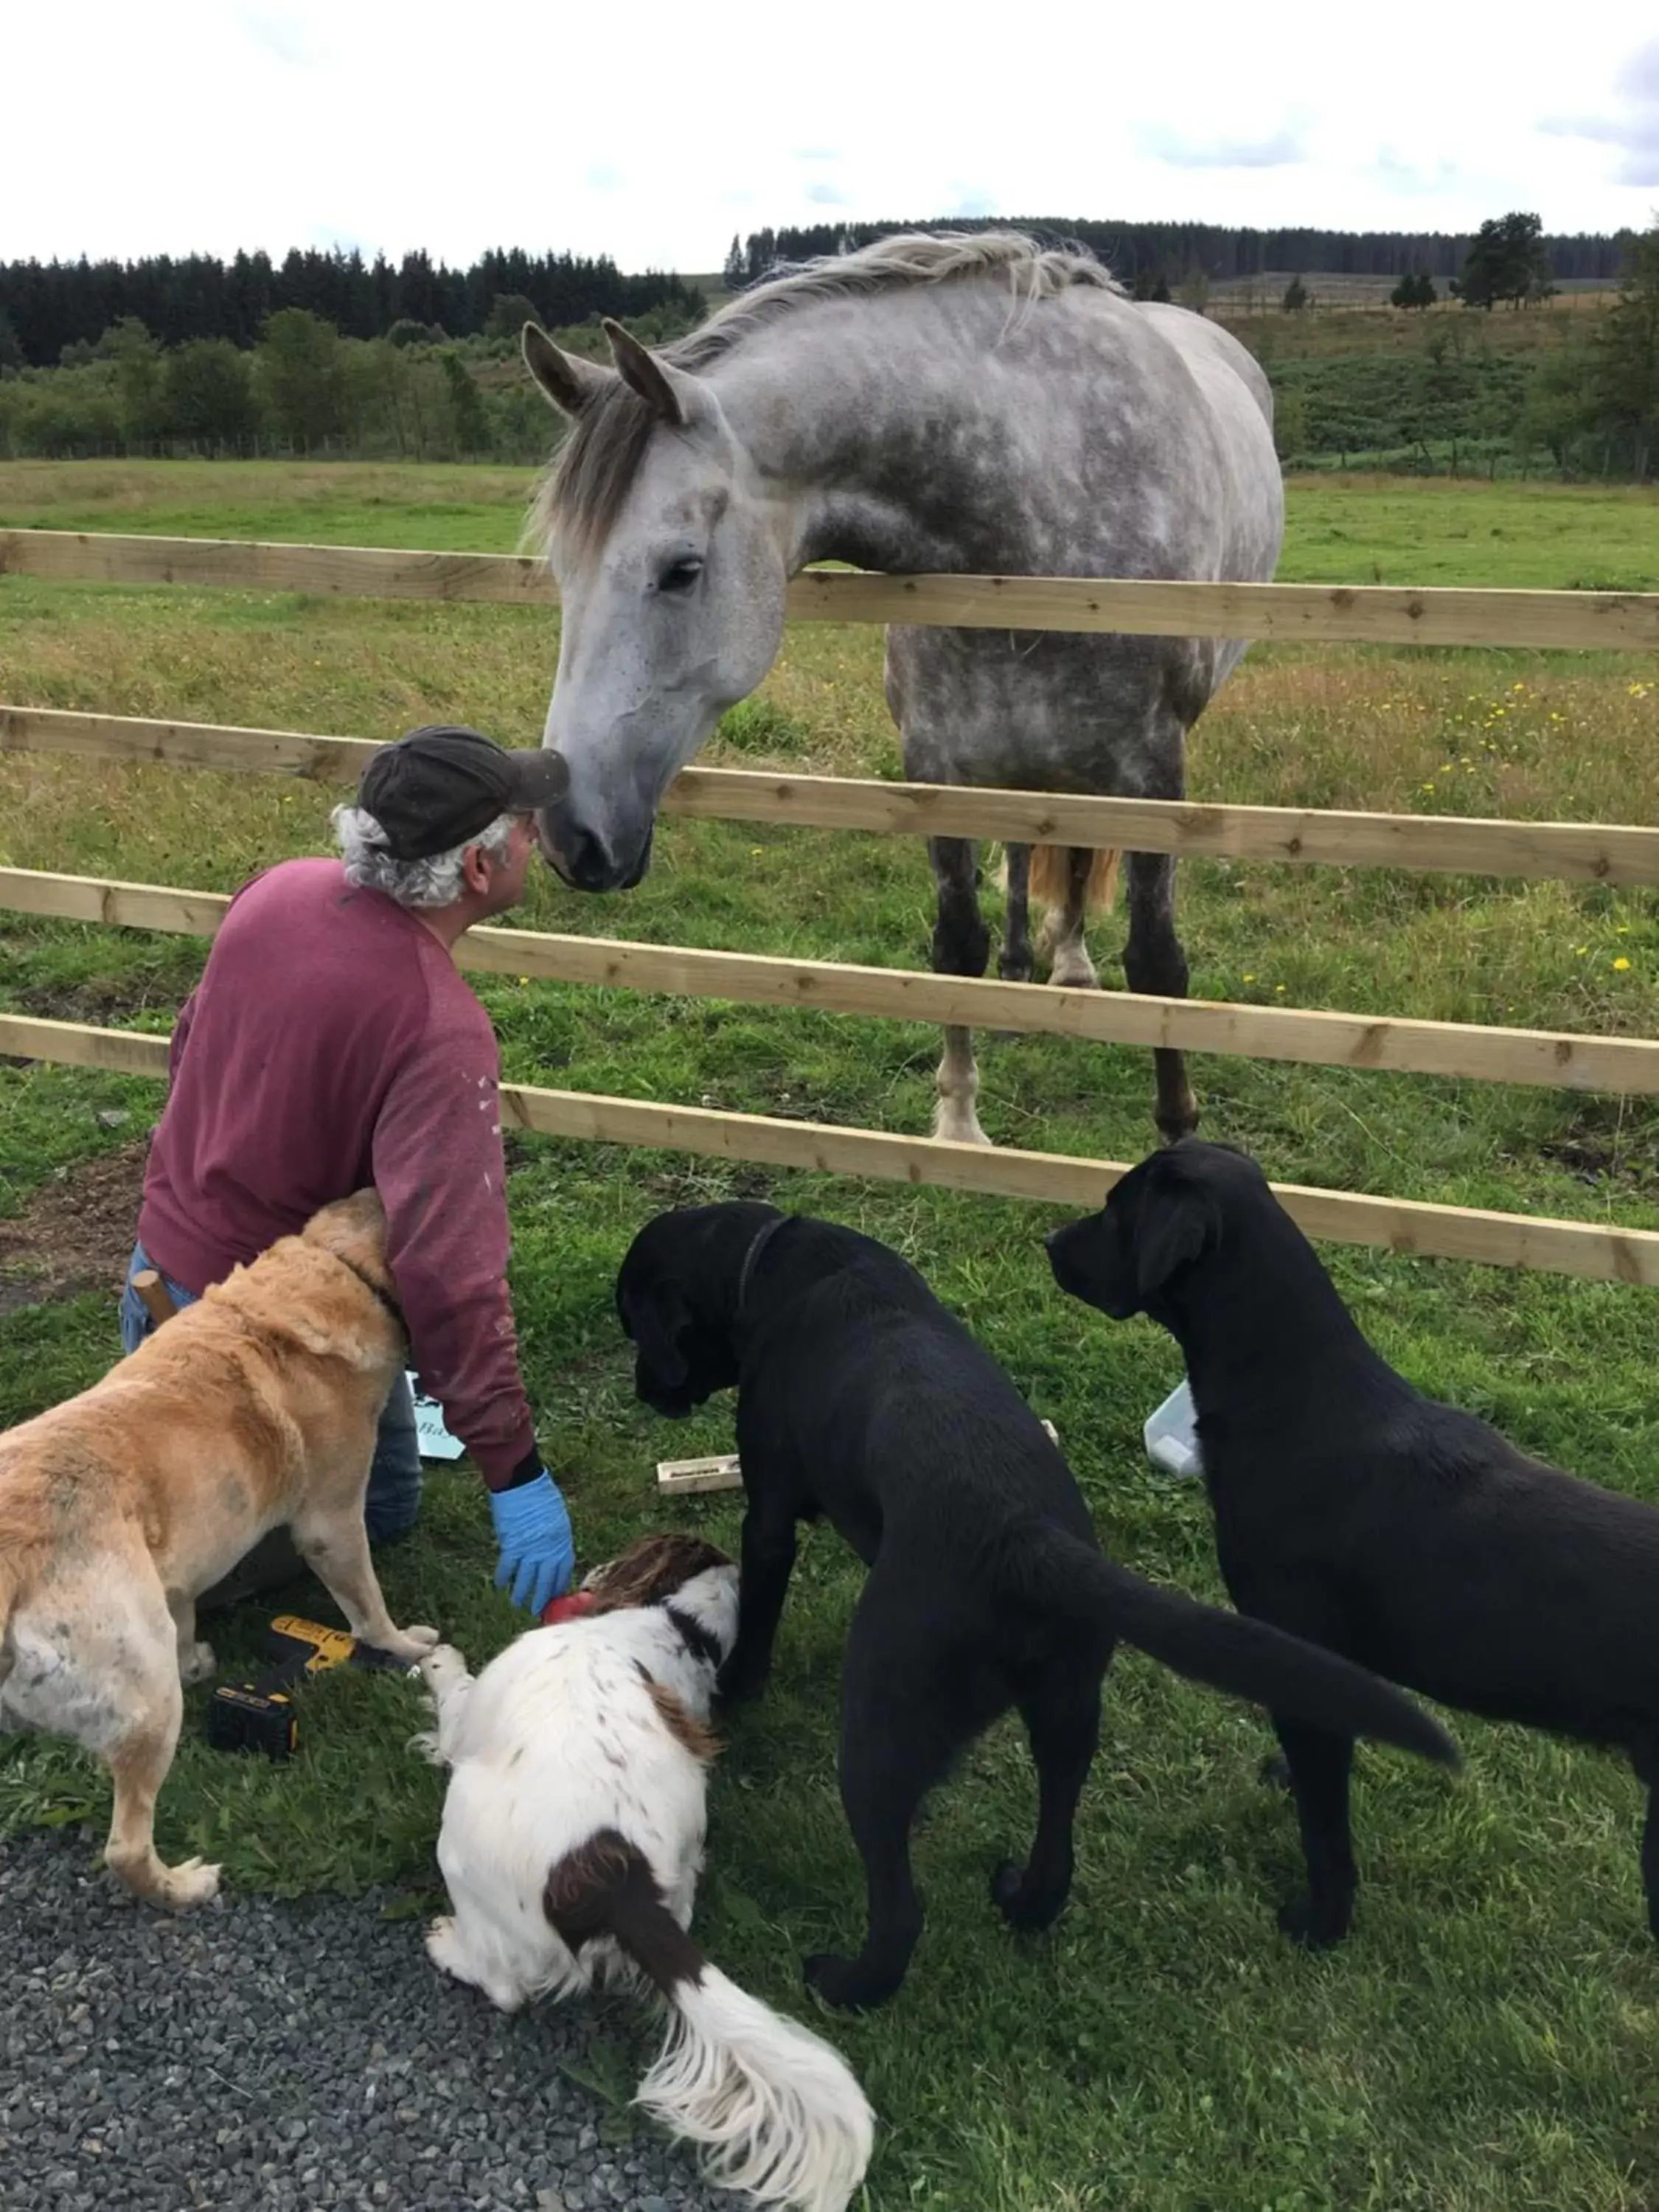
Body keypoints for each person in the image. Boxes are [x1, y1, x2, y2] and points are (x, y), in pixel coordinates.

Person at [119, 723, 576, 1615]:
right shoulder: (437, 1027)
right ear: (479, 871)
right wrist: (513, 1469)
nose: (534, 833)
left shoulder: (280, 891)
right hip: (264, 1334)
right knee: (386, 1503)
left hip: (158, 1274)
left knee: (380, 1476)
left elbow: (188, 1049)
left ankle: (164, 1448)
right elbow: (448, 1271)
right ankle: (164, 1563)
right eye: (523, 824)